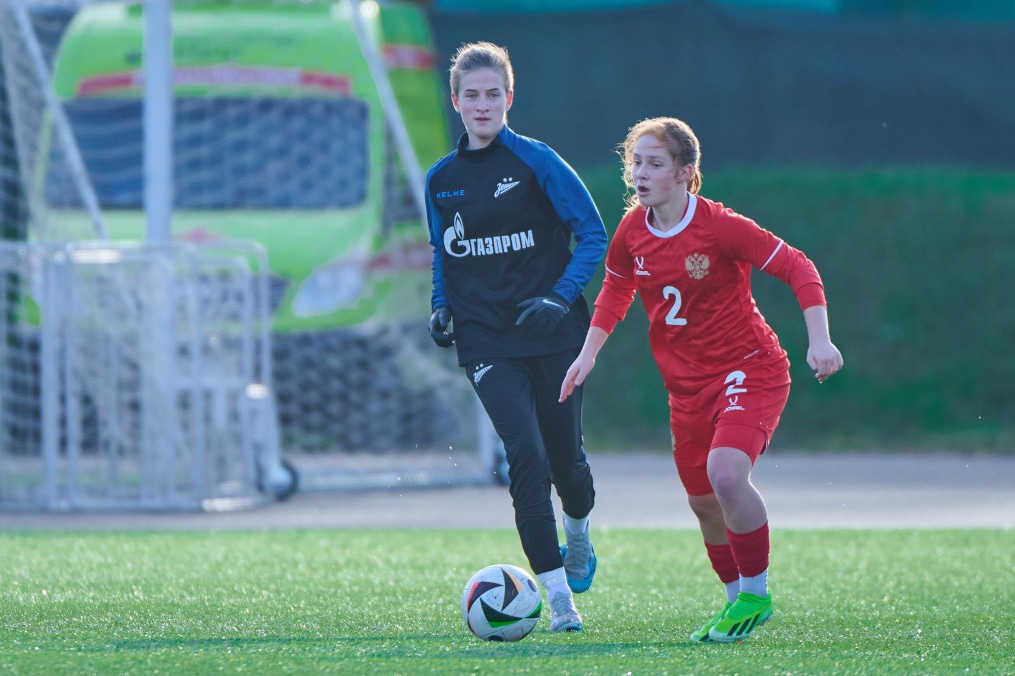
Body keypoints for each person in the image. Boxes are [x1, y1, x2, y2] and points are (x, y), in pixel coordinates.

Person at [560, 117, 843, 642]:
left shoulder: (719, 226)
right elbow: (616, 291)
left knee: (727, 473)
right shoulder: (632, 232)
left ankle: (757, 594)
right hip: (685, 390)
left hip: (749, 367)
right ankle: (738, 604)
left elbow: (798, 267)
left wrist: (820, 339)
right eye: (635, 163)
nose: (640, 174)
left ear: (686, 173)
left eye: (654, 164)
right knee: (703, 503)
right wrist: (588, 354)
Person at [425, 42, 608, 633]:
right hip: (487, 341)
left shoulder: (537, 160)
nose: (482, 104)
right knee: (523, 455)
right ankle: (559, 601)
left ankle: (577, 532)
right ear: (455, 101)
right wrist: (440, 307)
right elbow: (443, 254)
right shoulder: (441, 180)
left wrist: (558, 299)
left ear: (510, 97)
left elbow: (594, 235)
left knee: (567, 466)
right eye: (471, 95)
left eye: (493, 94)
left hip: (555, 335)